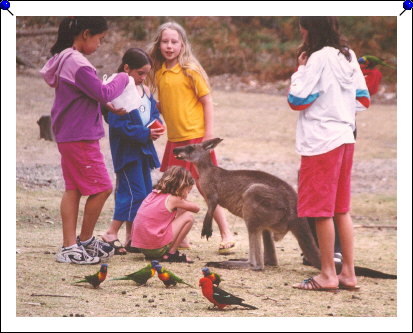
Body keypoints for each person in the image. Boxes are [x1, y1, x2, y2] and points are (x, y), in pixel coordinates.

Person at [287, 17, 370, 291]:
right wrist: (339, 109)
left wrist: (300, 70)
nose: (301, 31)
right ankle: (347, 273)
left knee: (322, 211)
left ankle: (327, 275)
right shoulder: (348, 55)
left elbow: (297, 100)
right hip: (346, 137)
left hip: (321, 142)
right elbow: (362, 99)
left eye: (303, 27)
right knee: (340, 209)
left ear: (310, 29)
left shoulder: (318, 58)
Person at [40, 16, 130, 264]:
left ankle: (70, 246)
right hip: (79, 136)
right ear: (86, 34)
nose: (100, 44)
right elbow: (102, 91)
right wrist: (125, 76)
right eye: (100, 39)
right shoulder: (77, 62)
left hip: (70, 133)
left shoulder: (66, 59)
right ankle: (84, 240)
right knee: (102, 187)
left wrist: (106, 103)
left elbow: (89, 96)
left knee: (74, 189)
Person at [147, 21, 235, 254]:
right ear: (159, 44)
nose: (169, 46)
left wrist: (208, 135)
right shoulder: (158, 72)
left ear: (182, 44)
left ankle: (226, 233)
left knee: (207, 189)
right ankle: (180, 236)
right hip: (175, 140)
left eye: (174, 42)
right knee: (175, 189)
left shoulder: (190, 69)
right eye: (165, 41)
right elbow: (164, 103)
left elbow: (207, 102)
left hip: (196, 140)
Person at [100, 48, 165, 254]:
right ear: (126, 68)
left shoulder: (145, 91)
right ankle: (111, 233)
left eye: (146, 73)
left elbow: (153, 112)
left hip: (143, 152)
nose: (143, 77)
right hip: (127, 153)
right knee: (132, 194)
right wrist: (144, 134)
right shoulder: (119, 92)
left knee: (144, 194)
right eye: (140, 73)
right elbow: (118, 125)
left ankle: (132, 237)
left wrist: (156, 125)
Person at [130, 166, 199, 263]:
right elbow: (196, 208)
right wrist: (184, 200)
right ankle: (171, 254)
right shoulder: (173, 199)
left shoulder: (153, 194)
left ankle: (178, 245)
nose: (187, 194)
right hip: (157, 249)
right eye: (188, 190)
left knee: (180, 210)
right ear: (181, 186)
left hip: (143, 248)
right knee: (189, 216)